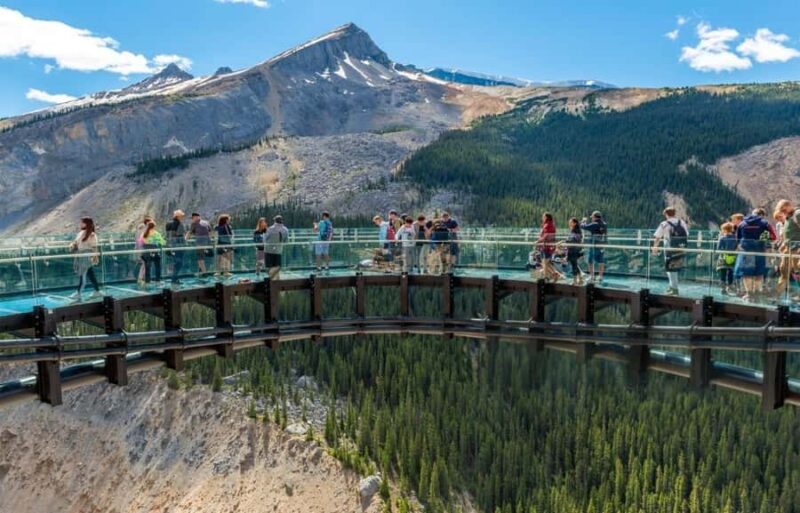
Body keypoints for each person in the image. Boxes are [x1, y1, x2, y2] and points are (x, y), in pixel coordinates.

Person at [734, 208, 776, 301]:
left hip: (747, 251)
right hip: (760, 251)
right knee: (759, 273)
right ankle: (757, 294)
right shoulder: (765, 223)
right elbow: (773, 236)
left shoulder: (742, 223)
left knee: (747, 274)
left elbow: (737, 239)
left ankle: (749, 294)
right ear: (762, 215)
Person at [652, 207, 689, 296]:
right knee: (674, 267)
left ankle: (674, 289)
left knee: (670, 267)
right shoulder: (681, 222)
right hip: (680, 248)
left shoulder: (664, 224)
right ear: (674, 213)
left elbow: (657, 237)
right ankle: (672, 287)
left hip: (669, 249)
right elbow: (687, 234)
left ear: (666, 214)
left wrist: (655, 248)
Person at [69, 217, 101, 300]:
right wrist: (72, 245)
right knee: (90, 274)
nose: (80, 224)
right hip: (81, 255)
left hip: (86, 256)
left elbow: (94, 247)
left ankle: (78, 292)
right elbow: (75, 242)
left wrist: (95, 256)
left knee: (82, 274)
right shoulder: (81, 233)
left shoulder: (92, 234)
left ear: (86, 223)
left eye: (82, 222)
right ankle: (97, 291)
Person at [776, 199, 800, 297]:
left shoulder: (797, 214)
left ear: (789, 206)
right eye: (781, 210)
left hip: (797, 248)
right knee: (783, 271)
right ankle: (778, 295)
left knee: (798, 272)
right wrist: (783, 244)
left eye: (783, 209)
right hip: (788, 249)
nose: (782, 211)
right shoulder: (787, 218)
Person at [580, 211, 607, 284]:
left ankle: (591, 277)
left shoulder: (595, 224)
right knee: (601, 261)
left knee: (590, 261)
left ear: (595, 217)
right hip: (601, 246)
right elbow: (605, 235)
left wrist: (583, 221)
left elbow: (583, 226)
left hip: (594, 245)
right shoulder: (604, 224)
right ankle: (601, 277)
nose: (592, 219)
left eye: (592, 217)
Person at [536, 212, 563, 283]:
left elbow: (546, 236)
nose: (542, 218)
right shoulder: (550, 225)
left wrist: (538, 241)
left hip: (546, 246)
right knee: (545, 263)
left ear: (546, 218)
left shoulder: (547, 225)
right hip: (546, 246)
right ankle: (554, 275)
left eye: (543, 217)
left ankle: (546, 278)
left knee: (545, 262)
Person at [139, 221, 165, 286]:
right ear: (154, 227)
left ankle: (147, 281)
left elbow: (140, 242)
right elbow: (162, 242)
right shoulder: (156, 233)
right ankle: (157, 280)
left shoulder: (143, 233)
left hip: (145, 252)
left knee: (147, 267)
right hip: (154, 251)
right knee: (157, 266)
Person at [187, 213, 213, 278]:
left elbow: (189, 233)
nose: (192, 220)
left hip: (200, 243)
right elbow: (210, 233)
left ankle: (204, 273)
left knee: (200, 258)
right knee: (202, 257)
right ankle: (200, 272)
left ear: (195, 217)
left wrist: (186, 239)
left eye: (192, 218)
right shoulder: (206, 222)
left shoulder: (194, 224)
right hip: (207, 243)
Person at [559, 217, 584, 285]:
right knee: (574, 264)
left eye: (571, 222)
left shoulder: (576, 231)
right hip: (572, 249)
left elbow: (573, 240)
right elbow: (572, 240)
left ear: (575, 223)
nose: (569, 223)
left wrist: (564, 241)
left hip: (574, 250)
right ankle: (580, 278)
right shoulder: (574, 230)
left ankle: (575, 280)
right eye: (569, 222)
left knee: (574, 265)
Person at [264, 215, 289, 280]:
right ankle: (276, 282)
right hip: (278, 250)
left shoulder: (270, 229)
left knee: (269, 267)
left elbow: (265, 239)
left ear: (275, 221)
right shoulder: (285, 229)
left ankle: (271, 281)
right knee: (277, 267)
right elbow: (286, 241)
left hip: (268, 250)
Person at [716, 222, 737, 295]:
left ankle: (723, 289)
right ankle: (730, 287)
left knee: (723, 273)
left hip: (723, 258)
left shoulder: (722, 238)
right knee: (730, 272)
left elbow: (718, 248)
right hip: (732, 257)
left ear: (724, 230)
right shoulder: (735, 238)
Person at [165, 210, 186, 285]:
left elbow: (167, 236)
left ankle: (175, 278)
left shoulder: (168, 223)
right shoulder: (179, 224)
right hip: (179, 246)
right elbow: (180, 235)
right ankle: (174, 278)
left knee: (175, 262)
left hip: (170, 246)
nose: (183, 218)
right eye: (182, 216)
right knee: (179, 263)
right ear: (178, 216)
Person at [134, 215, 153, 284]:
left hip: (138, 249)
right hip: (144, 249)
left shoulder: (138, 229)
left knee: (142, 264)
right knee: (144, 264)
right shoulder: (145, 230)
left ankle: (141, 279)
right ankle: (140, 279)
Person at [215, 214, 234, 279]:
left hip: (219, 243)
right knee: (227, 258)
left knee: (219, 258)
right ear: (225, 220)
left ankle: (218, 272)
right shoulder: (227, 226)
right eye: (228, 219)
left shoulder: (218, 226)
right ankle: (226, 272)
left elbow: (215, 233)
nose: (229, 220)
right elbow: (230, 235)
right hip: (227, 244)